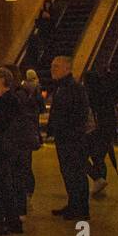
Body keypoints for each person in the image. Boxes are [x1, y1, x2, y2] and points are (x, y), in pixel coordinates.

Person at [0, 68, 28, 235]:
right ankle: (12, 221)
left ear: (2, 80)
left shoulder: (7, 100)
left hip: (1, 148)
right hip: (3, 147)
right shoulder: (0, 98)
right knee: (4, 184)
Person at [45, 55, 91, 221]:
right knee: (68, 172)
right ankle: (73, 203)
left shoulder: (74, 88)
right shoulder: (61, 87)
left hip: (73, 138)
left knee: (76, 173)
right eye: (52, 66)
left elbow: (79, 114)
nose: (52, 70)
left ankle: (81, 208)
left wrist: (70, 131)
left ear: (67, 69)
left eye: (56, 66)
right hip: (64, 138)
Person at [84, 67, 118, 198]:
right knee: (99, 158)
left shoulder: (91, 95)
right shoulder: (106, 94)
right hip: (107, 131)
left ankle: (97, 179)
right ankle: (100, 183)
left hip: (95, 131)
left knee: (82, 156)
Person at [16, 69, 44, 211]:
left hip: (23, 134)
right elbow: (41, 108)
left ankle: (25, 196)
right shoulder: (35, 91)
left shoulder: (20, 94)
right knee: (26, 165)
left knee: (23, 166)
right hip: (30, 132)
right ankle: (27, 195)